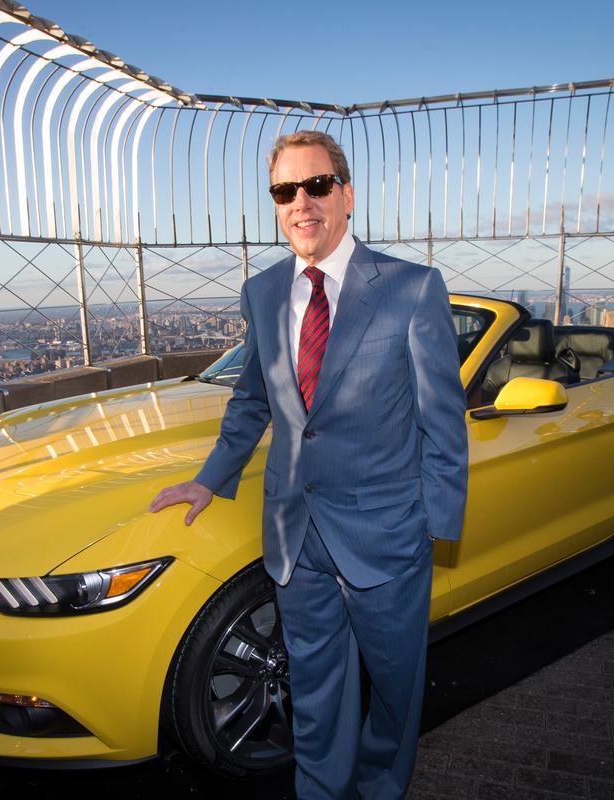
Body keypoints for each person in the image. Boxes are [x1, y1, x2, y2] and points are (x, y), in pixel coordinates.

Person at [149, 130, 468, 799]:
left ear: (346, 195)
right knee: (315, 689)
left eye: (317, 185)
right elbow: (252, 398)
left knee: (395, 688)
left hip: (387, 536)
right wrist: (210, 478)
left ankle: (380, 786)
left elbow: (443, 420)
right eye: (284, 191)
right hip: (295, 534)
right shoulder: (263, 292)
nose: (301, 202)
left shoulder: (412, 289)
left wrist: (433, 527)